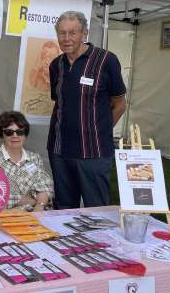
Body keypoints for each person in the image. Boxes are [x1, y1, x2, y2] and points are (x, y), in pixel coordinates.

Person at [47, 11, 126, 209]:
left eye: (73, 33)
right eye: (62, 33)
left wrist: (99, 131)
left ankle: (97, 242)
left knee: (96, 211)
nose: (66, 39)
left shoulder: (106, 60)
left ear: (85, 33)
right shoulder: (56, 65)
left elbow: (119, 104)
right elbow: (61, 104)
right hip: (60, 151)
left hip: (94, 153)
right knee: (63, 209)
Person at [0, 111, 53, 211]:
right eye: (9, 132)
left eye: (20, 132)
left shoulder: (35, 158)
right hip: (6, 217)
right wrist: (31, 201)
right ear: (1, 134)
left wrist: (39, 206)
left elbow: (45, 186)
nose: (15, 136)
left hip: (37, 212)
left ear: (25, 134)